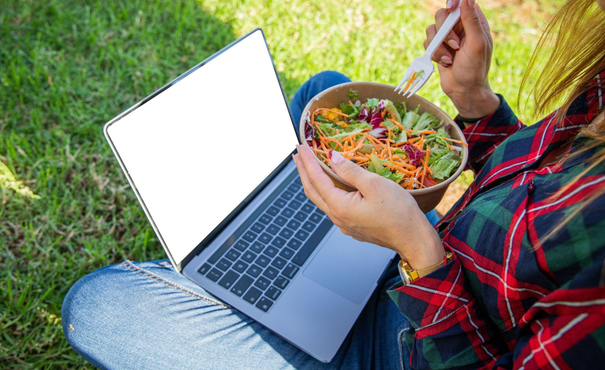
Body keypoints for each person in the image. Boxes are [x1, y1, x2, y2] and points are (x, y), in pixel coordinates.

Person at [62, 0, 605, 368]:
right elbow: (531, 179)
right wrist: (474, 100)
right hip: (450, 260)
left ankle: (241, 270)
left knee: (99, 308)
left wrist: (417, 249)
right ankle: (256, 252)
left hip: (420, 336)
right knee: (325, 89)